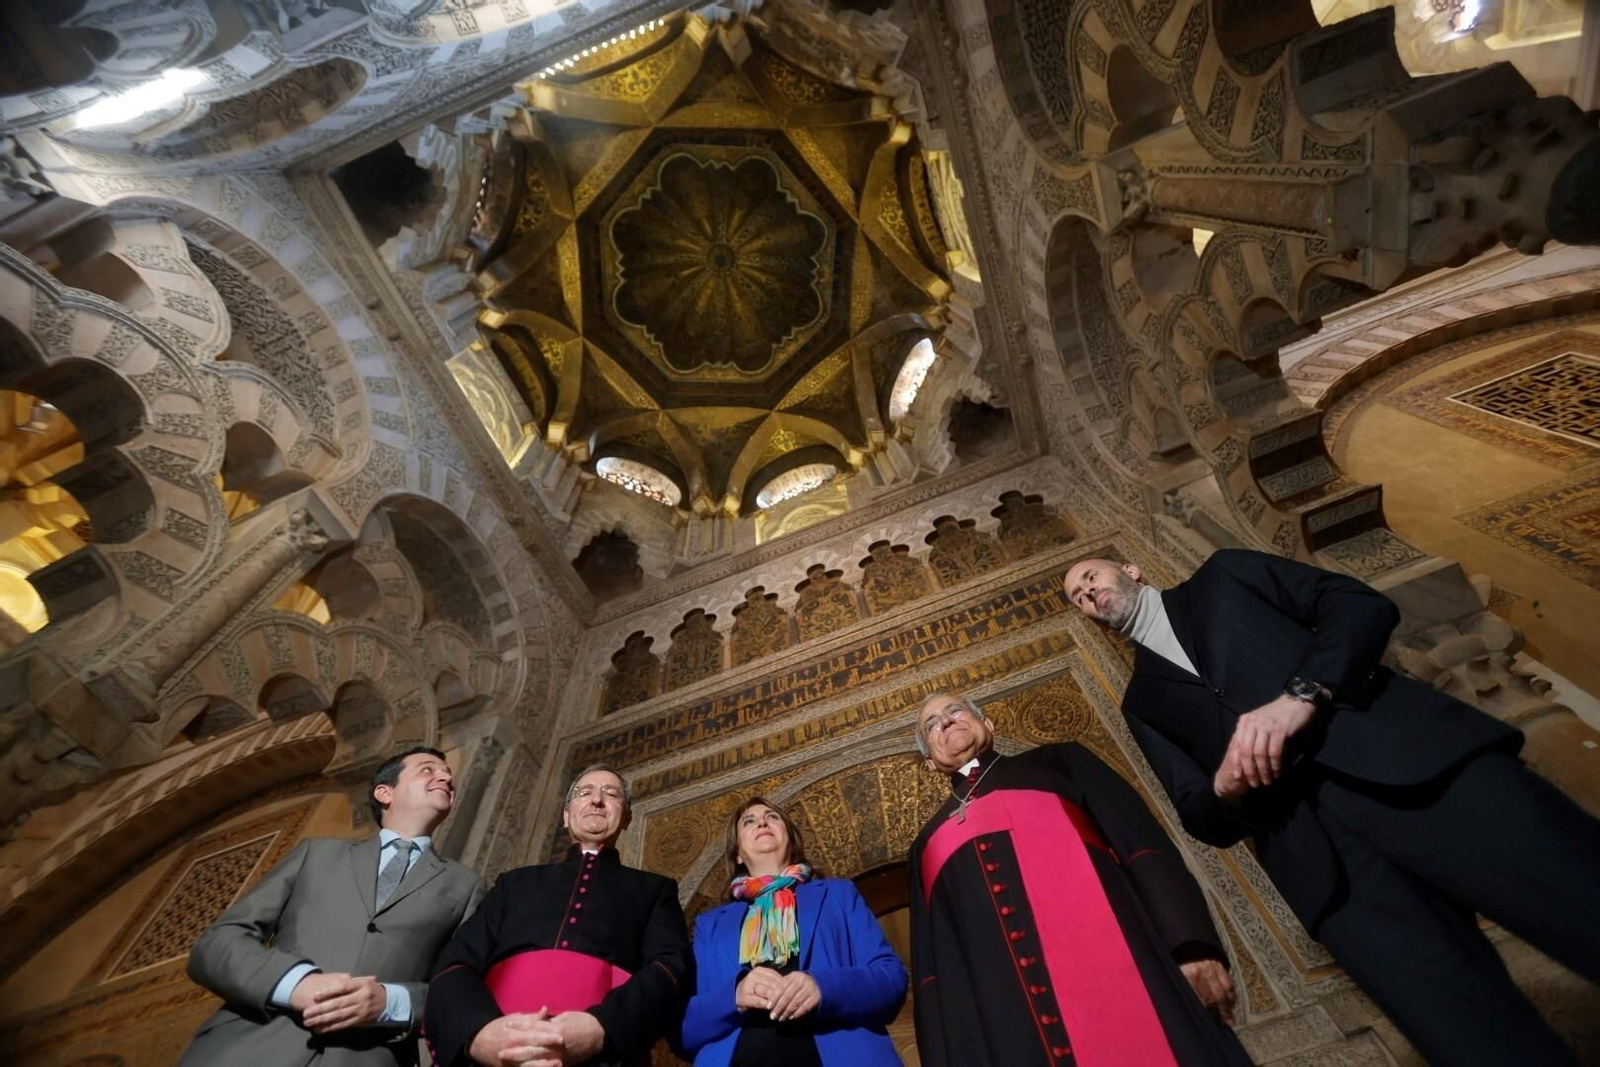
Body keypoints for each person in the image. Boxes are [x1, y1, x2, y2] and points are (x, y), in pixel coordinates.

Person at [1063, 549, 1600, 1065]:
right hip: (1327, 867)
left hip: (1418, 771)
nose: (1086, 591)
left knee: (1579, 901)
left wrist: (1301, 696)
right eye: (1076, 597)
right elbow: (1197, 814)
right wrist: (1223, 787)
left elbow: (1358, 604)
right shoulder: (1141, 703)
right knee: (1472, 1039)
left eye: (1090, 575)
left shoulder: (1225, 576)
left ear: (1131, 569)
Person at [908, 691, 1249, 1067]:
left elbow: (1142, 849)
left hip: (1129, 971)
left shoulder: (1060, 762)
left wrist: (1191, 946)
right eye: (932, 723)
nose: (947, 720)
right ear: (930, 763)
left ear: (987, 724)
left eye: (955, 710)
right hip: (1012, 1025)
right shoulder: (925, 844)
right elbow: (935, 967)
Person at [181, 746, 486, 1066]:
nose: (446, 777)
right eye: (428, 769)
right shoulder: (317, 853)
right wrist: (296, 983)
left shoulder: (466, 885)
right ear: (385, 792)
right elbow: (218, 944)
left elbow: (458, 986)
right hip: (251, 1047)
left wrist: (390, 1003)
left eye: (449, 775)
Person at [424, 764, 691, 1067]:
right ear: (566, 816)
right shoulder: (514, 883)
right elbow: (455, 963)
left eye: (611, 794)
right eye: (584, 792)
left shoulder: (655, 890)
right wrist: (481, 1034)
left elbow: (670, 969)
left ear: (626, 817)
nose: (596, 800)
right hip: (497, 1046)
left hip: (602, 1054)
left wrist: (601, 1027)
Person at [679, 797, 906, 1066]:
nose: (762, 821)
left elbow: (891, 978)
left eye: (772, 817)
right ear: (737, 853)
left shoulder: (837, 894)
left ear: (792, 839)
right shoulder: (711, 925)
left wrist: (822, 987)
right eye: (748, 821)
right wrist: (735, 996)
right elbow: (685, 1027)